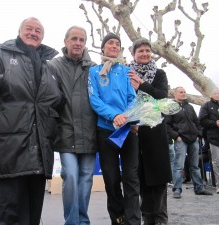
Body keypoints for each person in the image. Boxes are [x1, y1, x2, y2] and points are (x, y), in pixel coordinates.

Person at [0, 17, 64, 225]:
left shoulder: (49, 68)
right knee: (10, 211)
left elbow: (56, 102)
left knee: (34, 211)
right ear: (19, 31)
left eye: (38, 30)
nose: (34, 33)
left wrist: (53, 129)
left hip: (40, 150)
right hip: (12, 148)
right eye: (29, 28)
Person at [88, 33, 141, 225]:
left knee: (131, 177)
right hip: (105, 130)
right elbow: (94, 100)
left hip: (127, 130)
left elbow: (132, 98)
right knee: (111, 178)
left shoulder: (126, 71)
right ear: (103, 48)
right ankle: (118, 218)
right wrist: (114, 115)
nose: (114, 46)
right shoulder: (94, 72)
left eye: (117, 44)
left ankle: (134, 220)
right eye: (110, 43)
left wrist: (128, 117)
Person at [48, 26, 98, 225]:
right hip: (66, 131)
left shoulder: (94, 67)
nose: (78, 43)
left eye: (82, 40)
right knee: (70, 175)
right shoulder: (54, 66)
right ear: (66, 41)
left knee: (86, 179)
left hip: (89, 132)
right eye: (74, 39)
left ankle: (82, 221)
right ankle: (72, 221)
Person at [128, 38, 171, 225]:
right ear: (133, 54)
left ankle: (161, 219)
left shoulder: (160, 73)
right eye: (140, 51)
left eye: (147, 50)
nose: (144, 54)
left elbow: (162, 98)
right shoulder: (127, 74)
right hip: (135, 132)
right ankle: (147, 219)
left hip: (156, 132)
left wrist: (143, 85)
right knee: (142, 178)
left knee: (159, 177)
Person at [165, 86, 213, 199]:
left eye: (184, 91)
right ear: (175, 94)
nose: (183, 93)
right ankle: (177, 189)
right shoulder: (171, 107)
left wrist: (198, 134)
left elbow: (197, 122)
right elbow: (166, 125)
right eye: (181, 92)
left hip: (193, 140)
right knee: (178, 166)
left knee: (195, 166)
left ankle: (199, 188)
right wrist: (176, 136)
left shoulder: (190, 107)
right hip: (181, 140)